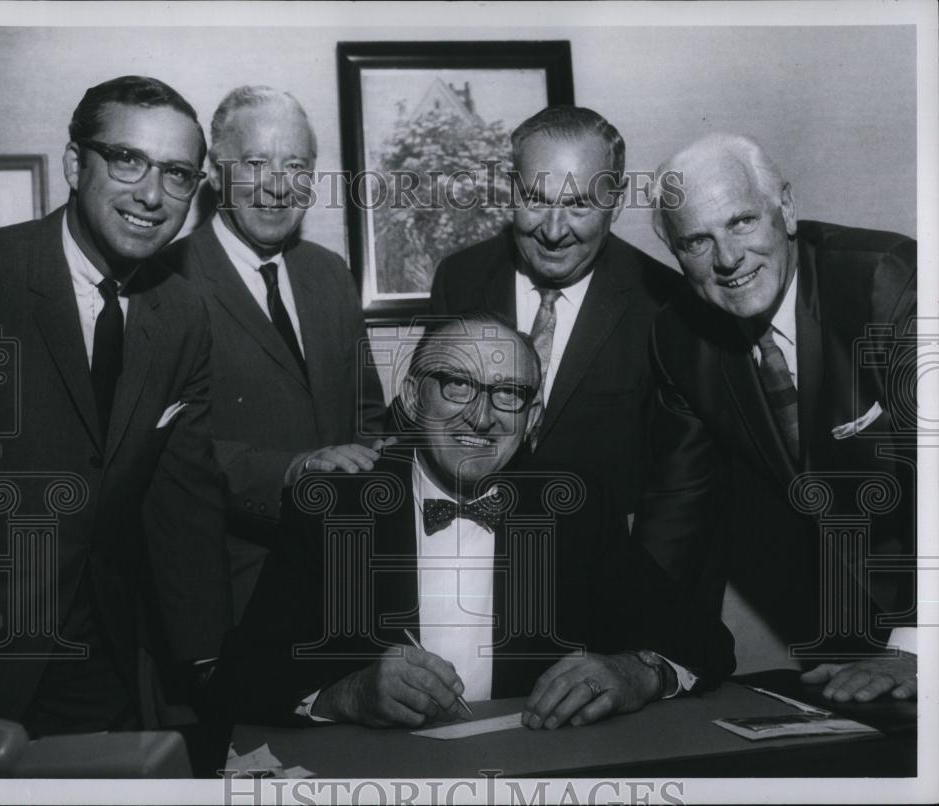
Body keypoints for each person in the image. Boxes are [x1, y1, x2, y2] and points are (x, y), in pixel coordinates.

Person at [217, 315, 732, 729]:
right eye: (458, 384)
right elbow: (240, 679)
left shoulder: (573, 507)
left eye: (508, 393)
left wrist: (636, 673)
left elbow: (706, 642)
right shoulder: (335, 505)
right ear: (415, 397)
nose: (481, 417)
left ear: (532, 420)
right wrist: (348, 695)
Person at [0, 75, 232, 737]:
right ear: (74, 163)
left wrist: (212, 664)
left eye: (176, 173)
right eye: (127, 160)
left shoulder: (184, 314)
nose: (151, 194)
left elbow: (184, 501)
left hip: (98, 657)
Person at [638, 132, 917, 701]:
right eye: (697, 240)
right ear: (674, 252)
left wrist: (919, 647)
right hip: (854, 623)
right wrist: (643, 658)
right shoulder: (679, 340)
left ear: (785, 209)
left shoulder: (883, 281)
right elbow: (676, 515)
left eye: (742, 222)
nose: (728, 258)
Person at [160, 86, 388, 620]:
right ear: (216, 174)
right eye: (257, 163)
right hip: (230, 588)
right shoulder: (166, 281)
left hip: (349, 579)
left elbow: (367, 413)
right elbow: (167, 456)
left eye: (297, 166)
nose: (278, 187)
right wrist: (291, 470)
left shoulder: (329, 272)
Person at [430, 106, 682, 525]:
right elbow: (430, 419)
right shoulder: (459, 280)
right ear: (512, 191)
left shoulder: (662, 301)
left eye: (579, 206)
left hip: (602, 572)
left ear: (615, 204)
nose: (552, 230)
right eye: (535, 200)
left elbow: (678, 481)